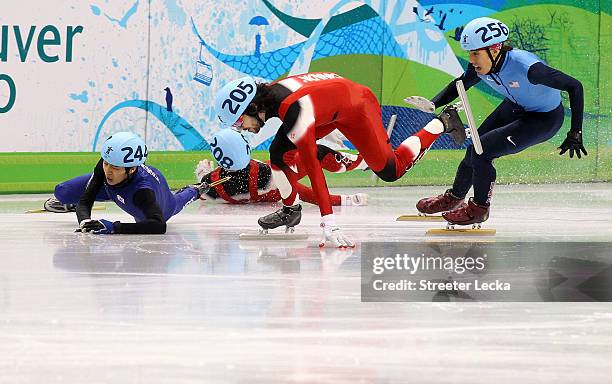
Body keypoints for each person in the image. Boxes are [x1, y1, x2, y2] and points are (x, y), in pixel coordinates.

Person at [214, 73, 465, 247]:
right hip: (331, 103)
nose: (241, 128)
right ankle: (291, 210)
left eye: (238, 122)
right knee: (278, 154)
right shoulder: (274, 95)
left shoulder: (292, 110)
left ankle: (442, 123)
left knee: (391, 170)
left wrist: (329, 222)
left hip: (357, 107)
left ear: (253, 106)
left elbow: (313, 170)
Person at [416, 17, 585, 225]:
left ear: (494, 50)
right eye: (469, 53)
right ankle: (454, 198)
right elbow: (460, 84)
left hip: (543, 118)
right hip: (515, 106)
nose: (471, 59)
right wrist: (433, 103)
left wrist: (575, 131)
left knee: (482, 152)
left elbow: (575, 86)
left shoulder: (529, 68)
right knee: (474, 150)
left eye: (475, 53)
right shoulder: (482, 65)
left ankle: (479, 209)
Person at [43, 131, 210, 234]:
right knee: (62, 191)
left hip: (152, 201)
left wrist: (113, 227)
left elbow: (159, 226)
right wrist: (84, 220)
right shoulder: (108, 164)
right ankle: (74, 202)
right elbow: (86, 200)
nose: (108, 170)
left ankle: (195, 190)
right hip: (116, 189)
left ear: (131, 169)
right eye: (106, 163)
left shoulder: (143, 193)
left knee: (175, 203)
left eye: (115, 167)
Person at [195, 128, 369, 206]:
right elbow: (303, 192)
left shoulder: (209, 185)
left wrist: (203, 177)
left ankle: (346, 199)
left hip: (266, 185)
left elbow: (201, 193)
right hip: (272, 181)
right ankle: (365, 163)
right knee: (317, 154)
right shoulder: (262, 173)